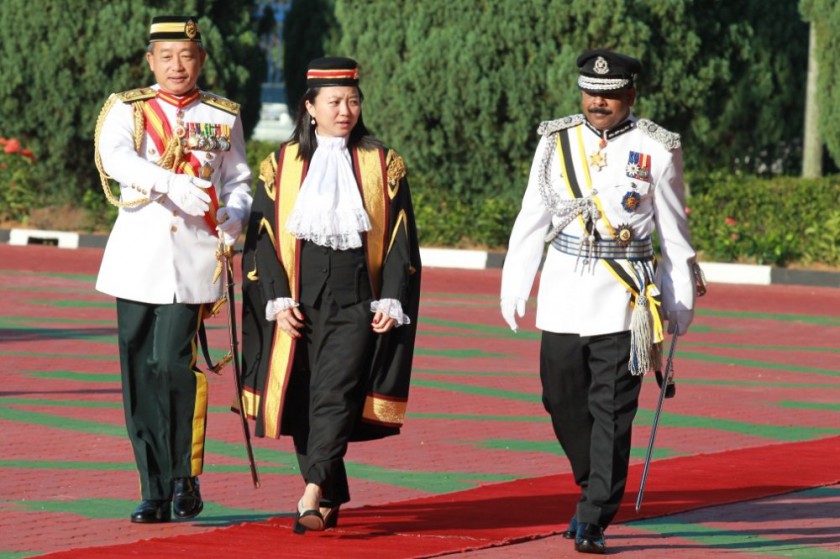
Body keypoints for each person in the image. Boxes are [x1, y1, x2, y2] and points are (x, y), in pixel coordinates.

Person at [500, 49, 697, 554]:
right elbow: (532, 215)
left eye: (609, 95)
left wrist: (679, 300)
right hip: (564, 292)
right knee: (560, 399)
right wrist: (516, 281)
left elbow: (674, 233)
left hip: (624, 301)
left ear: (630, 94)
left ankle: (594, 516)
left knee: (611, 411)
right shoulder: (556, 141)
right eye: (591, 93)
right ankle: (593, 486)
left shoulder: (656, 148)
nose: (598, 102)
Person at [239, 57, 421, 533]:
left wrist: (392, 297)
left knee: (335, 392)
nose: (345, 111)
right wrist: (277, 299)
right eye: (335, 102)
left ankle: (311, 491)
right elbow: (262, 238)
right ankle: (331, 493)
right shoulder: (281, 164)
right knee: (303, 399)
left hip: (357, 301)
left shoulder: (382, 162)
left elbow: (401, 237)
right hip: (299, 303)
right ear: (310, 107)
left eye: (353, 101)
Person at [93, 15, 252, 524]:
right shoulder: (127, 108)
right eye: (166, 57)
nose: (177, 65)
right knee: (140, 372)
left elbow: (238, 178)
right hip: (137, 261)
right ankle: (154, 488)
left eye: (186, 56)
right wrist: (169, 182)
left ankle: (185, 473)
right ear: (150, 61)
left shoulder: (221, 114)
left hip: (194, 259)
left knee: (169, 362)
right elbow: (115, 158)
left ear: (201, 59)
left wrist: (237, 213)